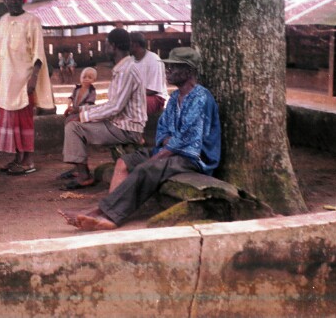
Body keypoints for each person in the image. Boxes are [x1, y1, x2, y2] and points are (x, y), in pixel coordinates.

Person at [58, 47, 221, 231]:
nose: (168, 72)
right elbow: (163, 130)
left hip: (193, 158)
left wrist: (164, 149)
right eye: (168, 67)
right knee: (124, 162)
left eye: (174, 67)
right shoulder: (175, 97)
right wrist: (168, 142)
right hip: (171, 151)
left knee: (145, 168)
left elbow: (188, 140)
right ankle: (107, 211)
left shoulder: (201, 98)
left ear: (189, 71)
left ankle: (107, 215)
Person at [59, 28, 147, 189]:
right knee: (73, 119)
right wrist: (81, 111)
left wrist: (83, 116)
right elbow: (113, 104)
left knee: (74, 127)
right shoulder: (123, 68)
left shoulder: (126, 71)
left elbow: (115, 107)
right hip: (119, 124)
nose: (105, 48)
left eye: (106, 45)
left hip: (126, 129)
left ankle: (83, 176)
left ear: (113, 46)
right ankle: (79, 170)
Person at [0, 0, 54, 176]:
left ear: (22, 0)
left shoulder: (32, 21)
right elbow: (0, 49)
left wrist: (34, 78)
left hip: (23, 80)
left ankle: (29, 160)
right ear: (5, 1)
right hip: (5, 80)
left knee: (24, 120)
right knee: (9, 120)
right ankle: (17, 158)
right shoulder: (3, 20)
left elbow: (38, 53)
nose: (13, 2)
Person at [129, 32, 168, 115]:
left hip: (155, 97)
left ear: (136, 44)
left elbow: (153, 90)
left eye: (128, 43)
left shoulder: (153, 59)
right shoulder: (130, 60)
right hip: (138, 95)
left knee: (133, 106)